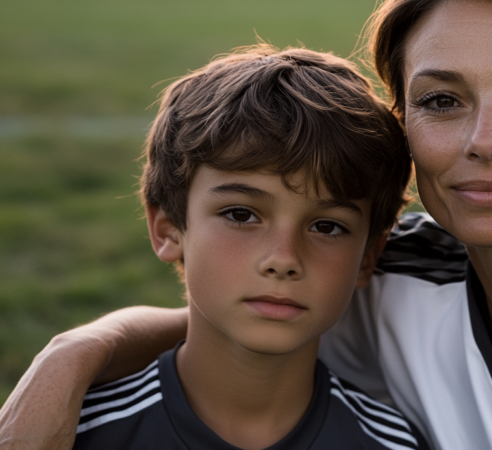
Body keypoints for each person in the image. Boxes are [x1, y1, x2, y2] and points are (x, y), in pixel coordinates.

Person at [1, 0, 492, 449]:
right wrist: (75, 354)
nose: (485, 141)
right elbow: (229, 321)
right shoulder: (389, 274)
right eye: (443, 101)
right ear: (404, 123)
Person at [13, 43, 430, 450]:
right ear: (168, 229)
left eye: (326, 226)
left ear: (368, 255)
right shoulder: (68, 431)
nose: (283, 259)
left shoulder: (393, 442)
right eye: (241, 215)